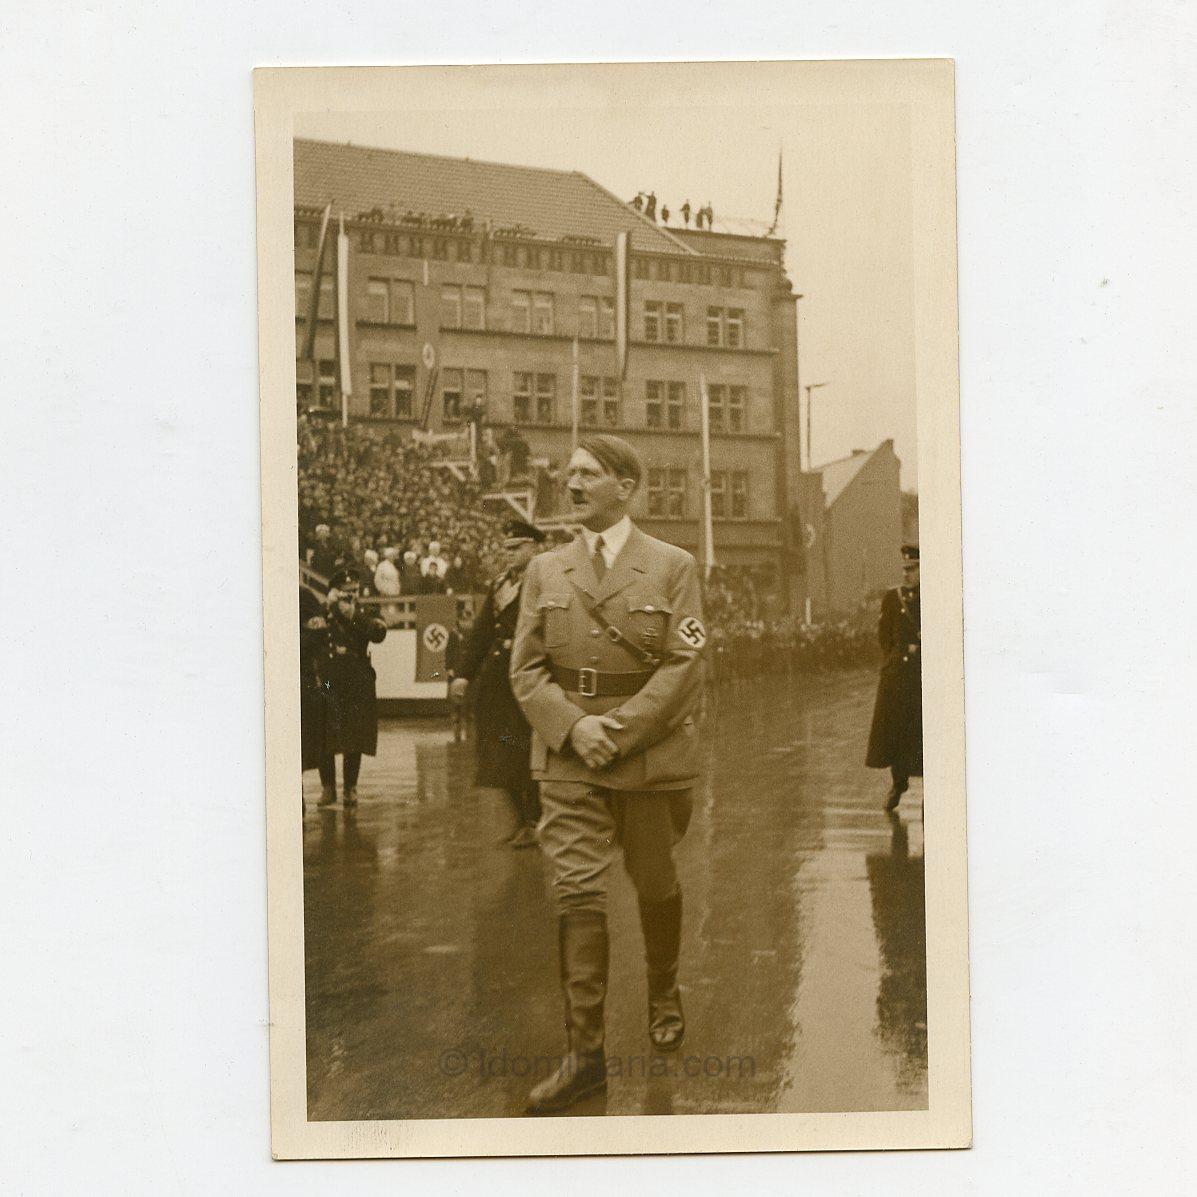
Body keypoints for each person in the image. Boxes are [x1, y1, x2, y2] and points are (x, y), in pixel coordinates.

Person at [510, 434, 707, 1114]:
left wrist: (614, 732)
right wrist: (572, 727)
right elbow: (526, 668)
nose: (571, 482)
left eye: (588, 473)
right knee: (575, 889)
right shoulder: (545, 568)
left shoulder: (672, 565)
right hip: (568, 758)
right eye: (568, 472)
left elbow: (685, 666)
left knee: (654, 879)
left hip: (646, 758)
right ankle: (585, 1056)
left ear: (626, 485)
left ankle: (661, 988)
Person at [451, 519, 546, 849]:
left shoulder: (547, 582)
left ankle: (534, 820)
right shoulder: (500, 584)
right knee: (497, 752)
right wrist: (463, 673)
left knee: (523, 753)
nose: (509, 555)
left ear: (536, 547)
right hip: (497, 684)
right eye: (505, 549)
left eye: (516, 548)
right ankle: (524, 820)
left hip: (531, 680)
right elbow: (481, 634)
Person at [309, 569, 387, 808]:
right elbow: (312, 634)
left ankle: (350, 788)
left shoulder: (364, 612)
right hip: (330, 678)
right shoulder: (324, 612)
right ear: (334, 592)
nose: (350, 597)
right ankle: (328, 787)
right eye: (345, 593)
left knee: (354, 734)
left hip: (356, 678)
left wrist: (353, 615)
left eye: (353, 592)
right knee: (326, 731)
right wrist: (330, 608)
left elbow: (379, 633)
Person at [866, 544, 923, 811]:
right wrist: (895, 657)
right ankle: (898, 784)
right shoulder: (893, 598)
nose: (907, 574)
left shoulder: (932, 597)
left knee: (923, 734)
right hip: (898, 678)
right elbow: (884, 635)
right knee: (896, 733)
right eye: (904, 569)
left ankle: (929, 794)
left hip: (923, 676)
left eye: (912, 569)